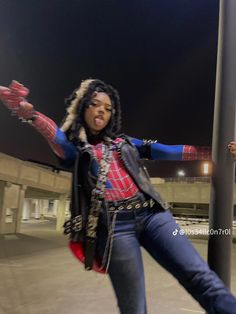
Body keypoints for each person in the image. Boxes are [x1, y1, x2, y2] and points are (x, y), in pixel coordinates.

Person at [1, 79, 236, 314]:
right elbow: (55, 135)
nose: (102, 110)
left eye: (108, 107)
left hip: (153, 215)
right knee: (133, 307)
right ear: (83, 106)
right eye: (95, 104)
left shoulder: (124, 142)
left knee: (201, 277)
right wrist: (29, 114)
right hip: (114, 227)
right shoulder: (77, 149)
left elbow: (165, 149)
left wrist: (214, 151)